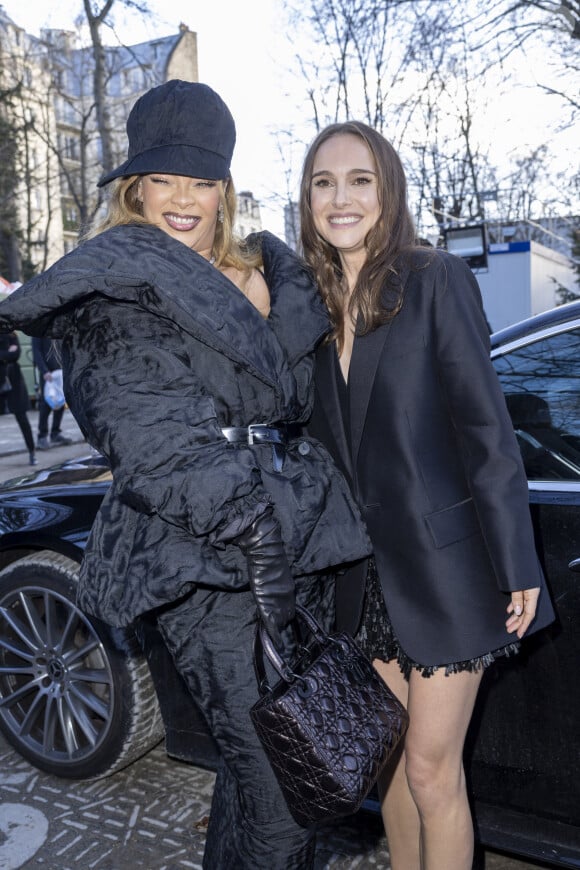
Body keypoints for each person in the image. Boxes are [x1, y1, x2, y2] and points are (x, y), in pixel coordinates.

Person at [0, 81, 370, 868]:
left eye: (201, 181)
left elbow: (304, 407)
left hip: (292, 549)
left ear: (224, 189)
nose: (182, 199)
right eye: (163, 179)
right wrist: (262, 545)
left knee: (262, 773)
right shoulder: (113, 289)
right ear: (134, 187)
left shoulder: (263, 272)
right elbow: (155, 442)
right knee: (283, 795)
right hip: (202, 558)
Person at [300, 121, 555, 870]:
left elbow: (487, 430)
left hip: (452, 573)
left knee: (431, 769)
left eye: (359, 179)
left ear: (388, 190)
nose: (340, 197)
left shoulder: (433, 278)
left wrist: (518, 563)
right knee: (391, 771)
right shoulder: (310, 311)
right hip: (367, 578)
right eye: (323, 182)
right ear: (306, 198)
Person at [0, 332, 37, 465]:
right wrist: (7, 354)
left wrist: (4, 355)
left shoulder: (11, 334)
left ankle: (32, 452)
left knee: (22, 417)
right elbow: (11, 354)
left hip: (13, 379)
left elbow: (17, 354)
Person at [32, 336, 73, 449]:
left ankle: (55, 433)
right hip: (48, 375)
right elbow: (36, 352)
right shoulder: (38, 331)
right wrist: (44, 371)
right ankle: (42, 436)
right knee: (45, 404)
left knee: (60, 401)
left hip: (61, 372)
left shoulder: (57, 329)